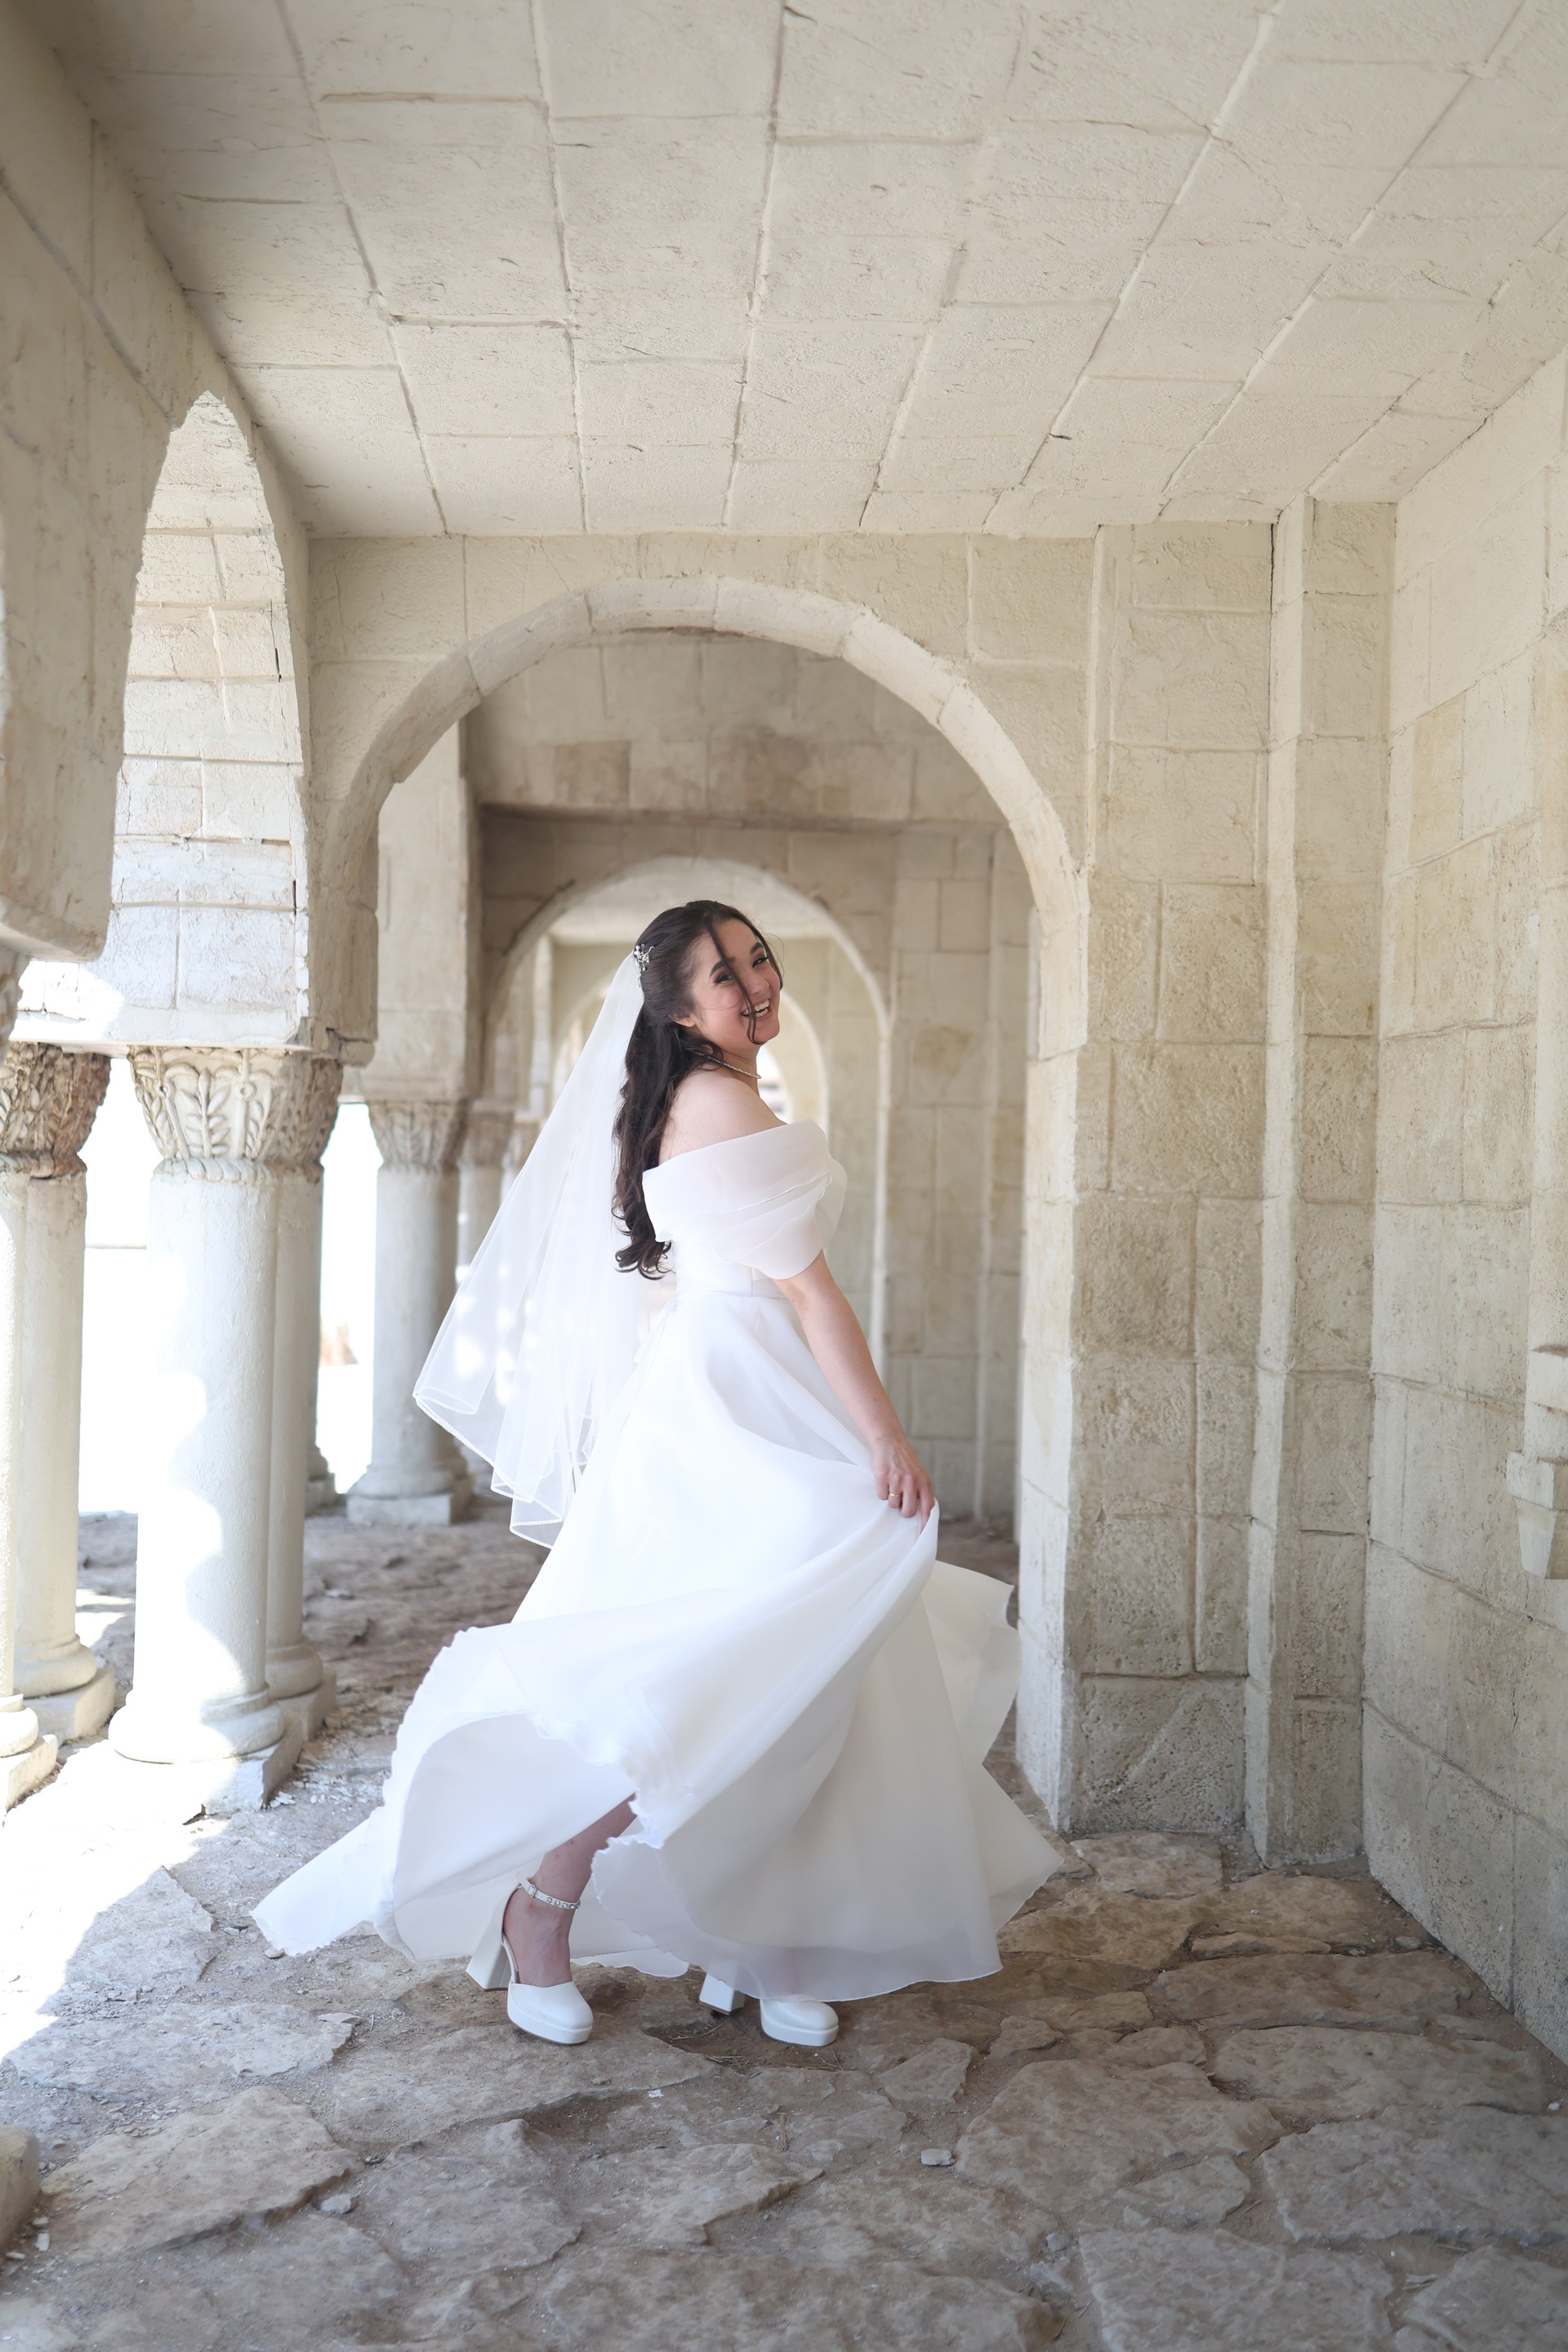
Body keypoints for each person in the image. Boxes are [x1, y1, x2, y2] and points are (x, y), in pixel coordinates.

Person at [255, 900, 1056, 2048]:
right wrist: (884, 1436)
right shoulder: (718, 1101)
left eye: (760, 959)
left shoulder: (687, 1096)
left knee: (791, 1669)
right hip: (736, 1402)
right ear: (682, 1010)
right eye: (729, 975)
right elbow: (810, 1291)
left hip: (735, 1382)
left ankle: (755, 1939)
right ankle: (544, 1908)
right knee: (708, 1675)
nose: (758, 982)